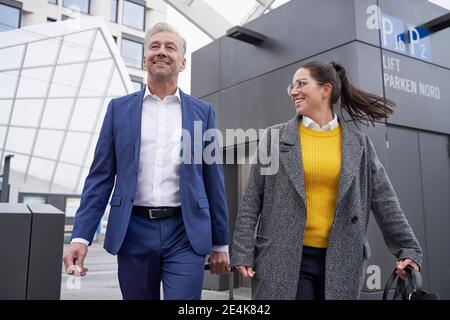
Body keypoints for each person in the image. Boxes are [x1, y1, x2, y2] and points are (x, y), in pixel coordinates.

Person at [63, 23, 230, 300]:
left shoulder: (203, 113)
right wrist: (81, 237)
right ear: (144, 59)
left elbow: (214, 180)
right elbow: (101, 177)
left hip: (185, 232)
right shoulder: (118, 110)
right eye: (154, 46)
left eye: (169, 47)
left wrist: (220, 242)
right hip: (133, 230)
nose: (161, 52)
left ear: (183, 62)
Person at [231, 61, 422, 300]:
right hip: (283, 256)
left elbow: (385, 200)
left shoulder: (359, 144)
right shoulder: (275, 138)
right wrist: (242, 251)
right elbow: (251, 200)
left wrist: (408, 248)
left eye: (301, 84)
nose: (293, 91)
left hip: (342, 258)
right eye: (291, 86)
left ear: (326, 89)